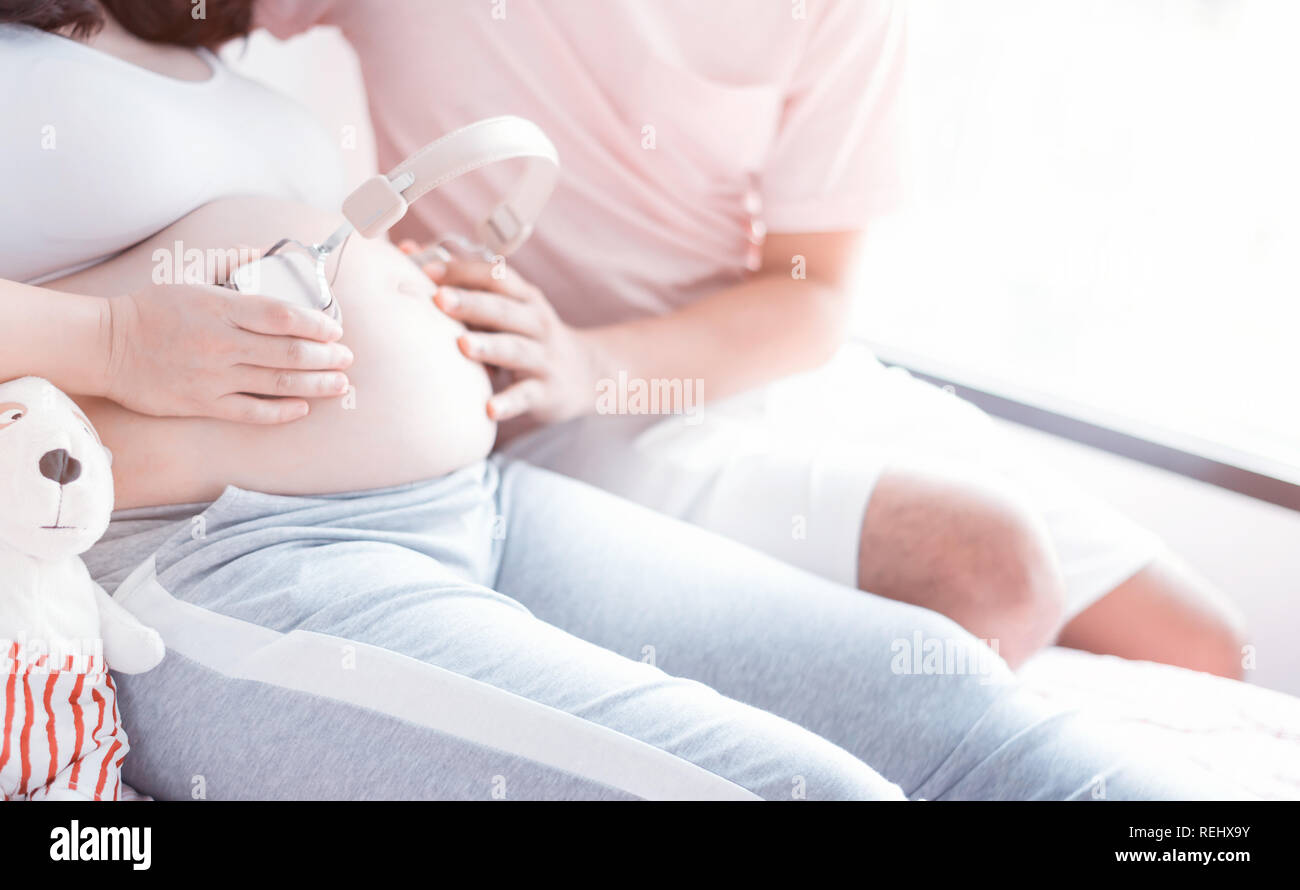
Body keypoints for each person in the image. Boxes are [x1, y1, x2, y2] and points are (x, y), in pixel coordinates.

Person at [0, 1, 1243, 800]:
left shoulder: (195, 39)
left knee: (964, 723)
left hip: (472, 503)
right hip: (231, 561)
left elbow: (812, 289)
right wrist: (111, 335)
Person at [255, 0, 1247, 674]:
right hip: (532, 403)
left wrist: (602, 362)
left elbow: (809, 295)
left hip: (730, 359)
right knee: (996, 572)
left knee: (1206, 647)